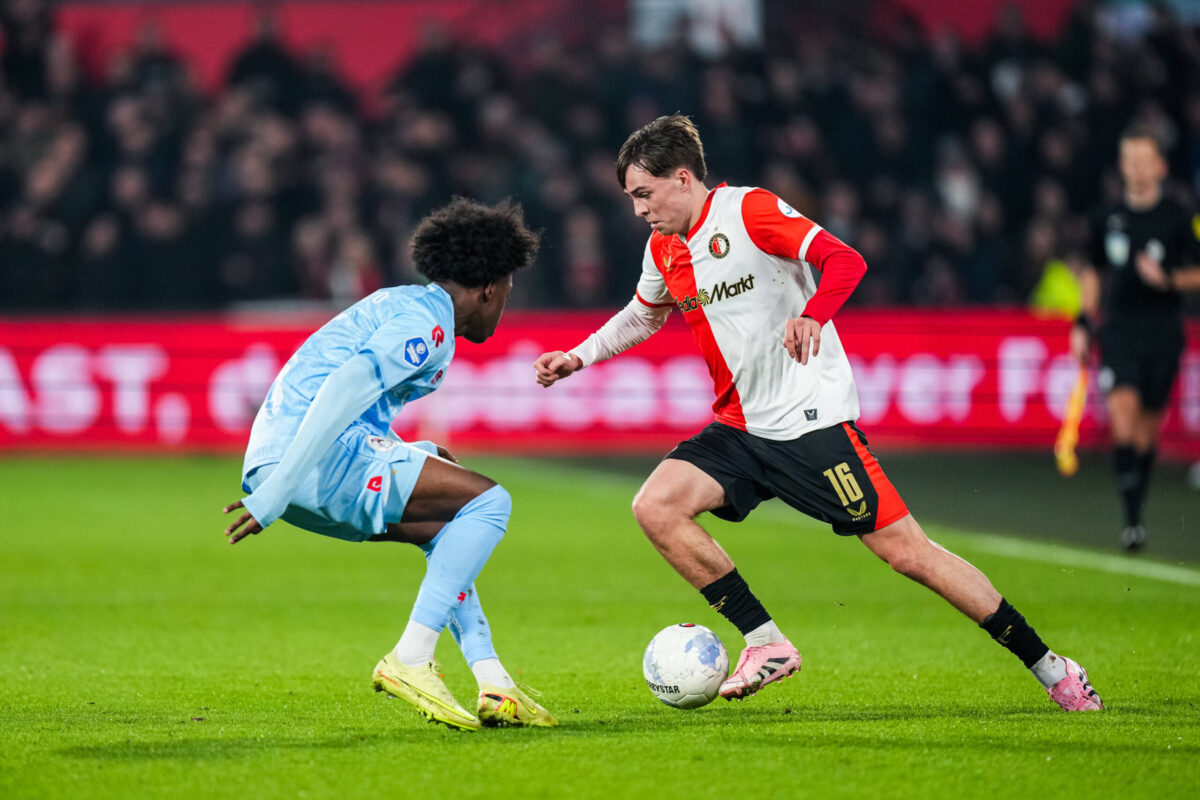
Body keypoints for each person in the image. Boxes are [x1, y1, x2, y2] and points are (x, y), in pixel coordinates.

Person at [535, 115, 1104, 712]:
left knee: (908, 554)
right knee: (656, 505)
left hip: (810, 425)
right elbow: (643, 313)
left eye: (643, 194)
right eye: (632, 198)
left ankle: (1053, 668)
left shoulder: (749, 212)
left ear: (682, 178)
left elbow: (845, 260)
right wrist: (578, 356)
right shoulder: (664, 248)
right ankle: (766, 643)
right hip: (741, 428)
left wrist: (812, 315)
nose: (638, 210)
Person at [223, 197, 556, 731]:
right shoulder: (426, 325)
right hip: (306, 461)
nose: (504, 305)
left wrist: (410, 451)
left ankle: (494, 680)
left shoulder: (404, 304)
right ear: (490, 288)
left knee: (449, 529)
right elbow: (344, 386)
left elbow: (360, 404)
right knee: (490, 502)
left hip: (292, 458)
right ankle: (411, 656)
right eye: (508, 292)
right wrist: (279, 490)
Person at [1070, 124, 1200, 552]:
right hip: (1120, 332)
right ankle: (1131, 523)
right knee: (1123, 423)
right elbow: (1093, 269)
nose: (1137, 169)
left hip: (1163, 335)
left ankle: (1136, 509)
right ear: (1122, 166)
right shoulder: (1106, 218)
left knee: (1146, 434)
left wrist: (1169, 279)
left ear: (1159, 165)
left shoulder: (1178, 217)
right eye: (1130, 161)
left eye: (1144, 161)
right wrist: (1083, 322)